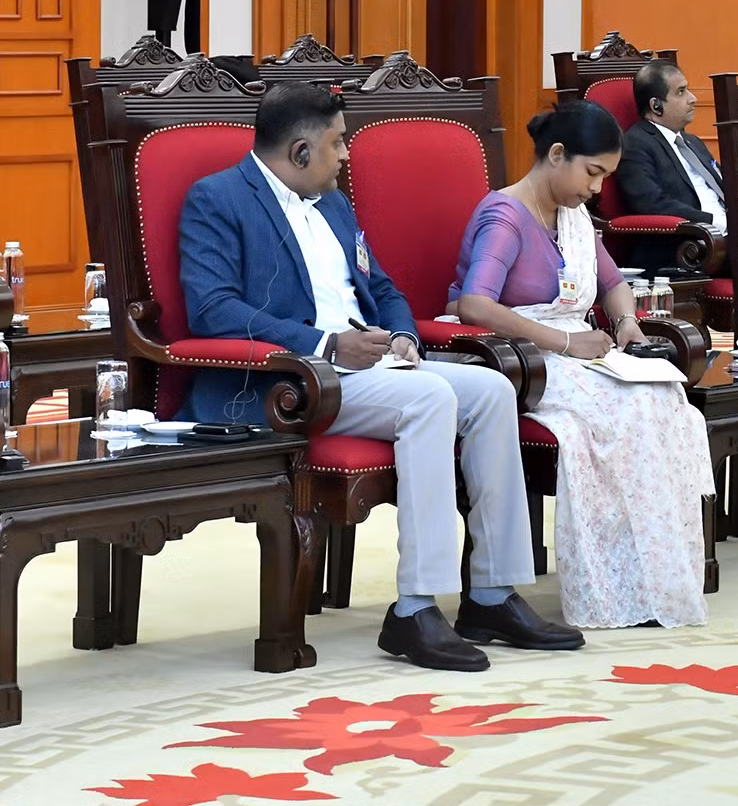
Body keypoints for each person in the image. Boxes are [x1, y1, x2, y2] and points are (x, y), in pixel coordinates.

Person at [178, 82, 582, 672]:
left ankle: (492, 594)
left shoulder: (334, 204)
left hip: (370, 365)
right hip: (290, 381)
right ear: (300, 151)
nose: (348, 156)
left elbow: (383, 288)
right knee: (428, 400)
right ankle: (415, 610)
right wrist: (326, 343)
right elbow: (211, 309)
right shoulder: (216, 199)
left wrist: (401, 337)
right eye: (339, 144)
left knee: (494, 392)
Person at [450, 100, 710, 629]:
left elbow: (612, 284)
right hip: (522, 357)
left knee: (664, 400)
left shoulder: (573, 217)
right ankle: (607, 583)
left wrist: (627, 325)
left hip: (576, 350)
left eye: (605, 178)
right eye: (592, 174)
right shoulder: (505, 216)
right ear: (557, 155)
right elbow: (474, 306)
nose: (596, 190)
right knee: (629, 411)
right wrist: (564, 344)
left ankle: (650, 577)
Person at [613, 60, 727, 235]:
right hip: (689, 244)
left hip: (732, 235)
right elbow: (652, 203)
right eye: (681, 92)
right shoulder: (634, 145)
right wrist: (714, 223)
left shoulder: (693, 142)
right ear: (656, 105)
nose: (693, 99)